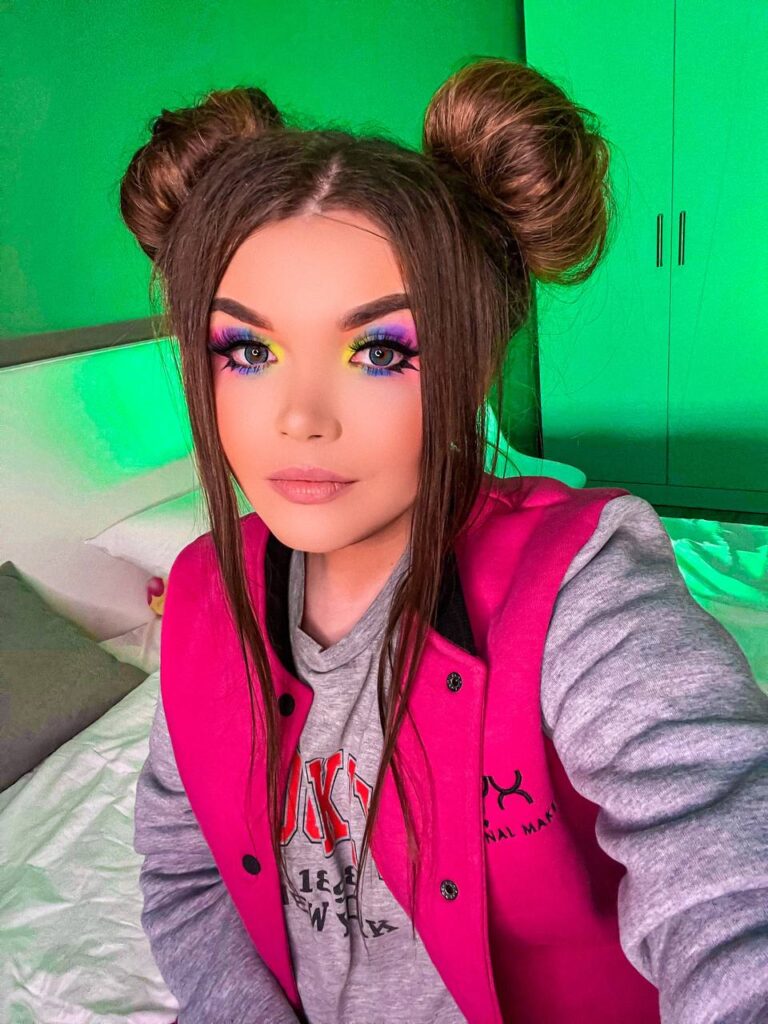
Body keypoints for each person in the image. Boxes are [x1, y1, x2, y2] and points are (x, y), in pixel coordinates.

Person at [122, 59, 768, 1024]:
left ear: (475, 363)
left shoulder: (584, 589)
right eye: (248, 351)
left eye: (380, 351)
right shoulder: (203, 597)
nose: (300, 418)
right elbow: (183, 873)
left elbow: (725, 858)